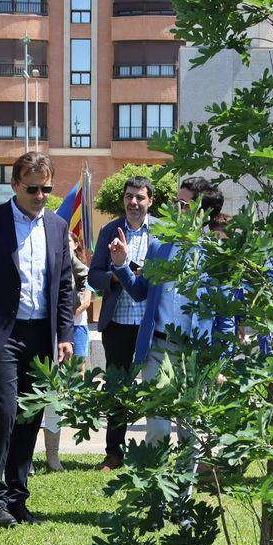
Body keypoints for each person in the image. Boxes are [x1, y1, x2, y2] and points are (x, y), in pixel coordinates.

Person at [0, 151, 74, 528]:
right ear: (14, 185)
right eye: (32, 188)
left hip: (41, 335)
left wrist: (65, 335)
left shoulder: (57, 227)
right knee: (3, 414)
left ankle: (17, 496)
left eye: (46, 189)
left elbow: (66, 285)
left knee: (30, 417)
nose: (40, 195)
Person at [107, 185, 232, 448]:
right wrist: (121, 264)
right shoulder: (160, 246)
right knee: (157, 427)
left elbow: (225, 315)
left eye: (183, 205)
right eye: (176, 202)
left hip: (195, 353)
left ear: (203, 212)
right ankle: (157, 488)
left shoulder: (217, 256)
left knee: (190, 431)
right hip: (158, 349)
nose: (176, 209)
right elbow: (142, 292)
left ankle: (183, 490)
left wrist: (221, 361)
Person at [88, 174, 158, 472]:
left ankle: (156, 451)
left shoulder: (162, 232)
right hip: (117, 324)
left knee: (155, 388)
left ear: (150, 201)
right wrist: (118, 273)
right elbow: (93, 276)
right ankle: (114, 454)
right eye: (129, 196)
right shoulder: (109, 231)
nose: (133, 202)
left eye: (140, 197)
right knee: (117, 389)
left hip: (152, 325)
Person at [41, 230, 93, 471]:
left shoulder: (61, 247)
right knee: (27, 396)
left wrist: (74, 300)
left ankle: (53, 455)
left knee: (54, 394)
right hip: (26, 331)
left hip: (59, 334)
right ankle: (23, 455)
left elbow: (85, 274)